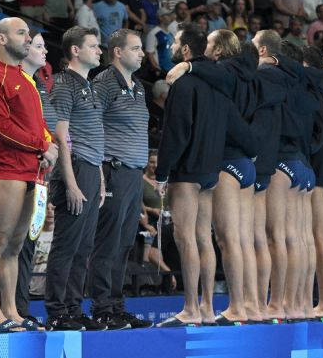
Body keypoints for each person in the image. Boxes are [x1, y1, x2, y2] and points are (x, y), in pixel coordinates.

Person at [0, 18, 57, 334]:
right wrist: (42, 144)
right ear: (1, 38)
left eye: (28, 33)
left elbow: (39, 126)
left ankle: (11, 310)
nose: (28, 38)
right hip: (7, 170)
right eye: (21, 33)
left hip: (32, 172)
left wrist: (49, 145)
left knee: (15, 246)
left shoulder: (26, 79)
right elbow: (0, 126)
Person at [155, 23, 234, 326]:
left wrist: (162, 172)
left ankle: (190, 308)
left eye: (175, 43)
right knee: (203, 237)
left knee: (185, 237)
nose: (172, 48)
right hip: (210, 169)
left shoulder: (183, 84)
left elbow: (175, 132)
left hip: (186, 170)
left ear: (186, 50)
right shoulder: (218, 84)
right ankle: (208, 309)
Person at [86, 29, 151, 330]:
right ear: (117, 52)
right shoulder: (103, 83)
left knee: (125, 244)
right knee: (108, 243)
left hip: (134, 174)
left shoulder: (138, 86)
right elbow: (89, 124)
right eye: (136, 49)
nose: (141, 53)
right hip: (113, 171)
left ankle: (116, 305)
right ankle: (102, 308)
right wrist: (99, 171)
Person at [43, 27, 105, 332]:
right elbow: (61, 135)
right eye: (94, 46)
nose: (100, 51)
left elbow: (96, 138)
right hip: (75, 169)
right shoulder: (65, 84)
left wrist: (101, 179)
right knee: (68, 244)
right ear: (75, 51)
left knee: (84, 246)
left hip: (91, 170)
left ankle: (73, 307)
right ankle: (56, 311)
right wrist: (70, 182)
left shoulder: (89, 85)